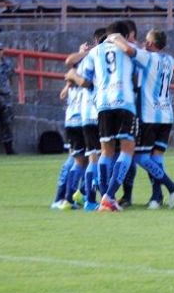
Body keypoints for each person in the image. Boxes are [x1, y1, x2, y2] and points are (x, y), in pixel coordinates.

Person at [105, 29, 174, 210]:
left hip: (149, 115)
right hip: (166, 114)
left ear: (150, 44)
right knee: (156, 157)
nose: (143, 43)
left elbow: (127, 50)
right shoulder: (170, 61)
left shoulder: (148, 58)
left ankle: (172, 187)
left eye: (146, 41)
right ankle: (156, 197)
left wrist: (115, 37)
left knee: (141, 157)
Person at [66, 21, 137, 212]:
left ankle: (102, 198)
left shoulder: (94, 53)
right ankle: (109, 195)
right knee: (127, 150)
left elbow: (86, 79)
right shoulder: (128, 48)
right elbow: (137, 75)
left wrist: (73, 78)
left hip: (102, 104)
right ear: (124, 35)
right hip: (124, 101)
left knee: (104, 153)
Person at [62, 28, 106, 212]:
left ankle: (71, 198)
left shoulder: (85, 60)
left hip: (82, 115)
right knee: (96, 158)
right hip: (95, 112)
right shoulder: (97, 57)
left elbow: (71, 72)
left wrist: (72, 76)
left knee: (85, 159)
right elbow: (83, 81)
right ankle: (90, 199)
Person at [52, 67, 88, 210]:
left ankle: (66, 197)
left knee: (76, 160)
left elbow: (62, 95)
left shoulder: (73, 79)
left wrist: (68, 82)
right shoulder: (83, 78)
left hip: (70, 123)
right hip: (81, 122)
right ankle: (66, 197)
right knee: (80, 161)